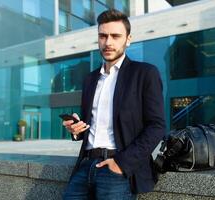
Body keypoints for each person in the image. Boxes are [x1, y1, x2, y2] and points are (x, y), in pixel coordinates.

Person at [62, 9, 166, 200]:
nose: (108, 42)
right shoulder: (90, 79)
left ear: (128, 39)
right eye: (103, 36)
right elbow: (89, 126)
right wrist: (76, 130)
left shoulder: (144, 73)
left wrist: (121, 163)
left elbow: (157, 126)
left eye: (115, 36)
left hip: (117, 167)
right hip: (85, 165)